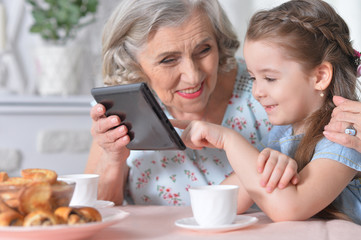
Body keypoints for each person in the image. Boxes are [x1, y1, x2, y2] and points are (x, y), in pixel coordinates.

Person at [85, 0, 299, 206]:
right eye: (168, 60)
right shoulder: (124, 108)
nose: (193, 76)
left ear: (218, 41)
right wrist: (113, 160)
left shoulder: (264, 87)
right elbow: (96, 212)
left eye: (204, 49)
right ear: (132, 63)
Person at [172, 0, 361, 224]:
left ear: (320, 77)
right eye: (253, 78)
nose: (257, 92)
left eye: (270, 78)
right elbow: (227, 199)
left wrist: (228, 139)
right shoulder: (281, 134)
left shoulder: (344, 134)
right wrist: (266, 166)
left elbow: (290, 208)